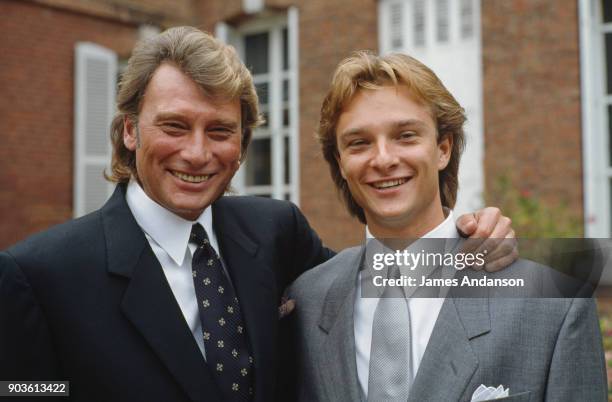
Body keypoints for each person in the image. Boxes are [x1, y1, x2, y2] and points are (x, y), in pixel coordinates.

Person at [0, 28, 516, 402]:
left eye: (220, 131)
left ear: (243, 144)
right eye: (175, 126)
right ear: (130, 131)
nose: (198, 153)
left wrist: (476, 244)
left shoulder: (275, 232)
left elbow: (374, 284)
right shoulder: (39, 275)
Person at [288, 51, 607, 401]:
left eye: (405, 135)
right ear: (340, 161)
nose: (383, 159)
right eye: (359, 143)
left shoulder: (556, 304)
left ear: (443, 148)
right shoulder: (306, 300)